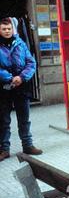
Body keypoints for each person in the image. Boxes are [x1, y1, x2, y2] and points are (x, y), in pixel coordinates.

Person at [0, 17, 42, 161]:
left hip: (21, 86)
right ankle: (4, 149)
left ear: (13, 29)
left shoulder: (21, 44)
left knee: (24, 118)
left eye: (9, 29)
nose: (7, 31)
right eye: (4, 29)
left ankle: (27, 145)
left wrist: (22, 77)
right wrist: (9, 78)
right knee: (3, 120)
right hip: (3, 87)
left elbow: (31, 62)